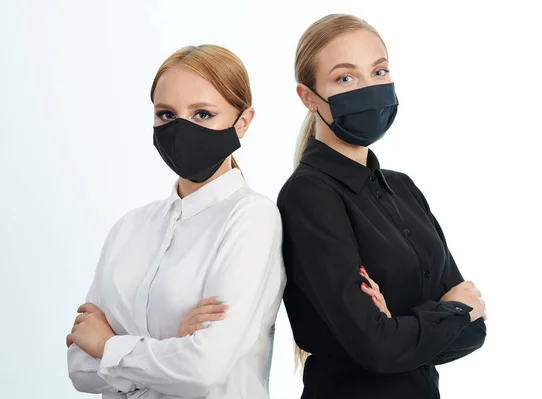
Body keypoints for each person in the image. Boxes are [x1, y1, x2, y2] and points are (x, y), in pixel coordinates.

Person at [277, 14, 487, 398]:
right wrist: (450, 312)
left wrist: (405, 327)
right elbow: (378, 347)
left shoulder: (403, 188)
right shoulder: (308, 196)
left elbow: (475, 329)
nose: (369, 89)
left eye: (379, 71)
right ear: (308, 97)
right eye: (345, 78)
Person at [66, 45, 286, 399]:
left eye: (202, 114)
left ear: (242, 122)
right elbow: (79, 368)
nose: (182, 129)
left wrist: (109, 346)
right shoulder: (129, 228)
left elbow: (204, 370)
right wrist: (169, 345)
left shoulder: (252, 218)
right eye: (166, 115)